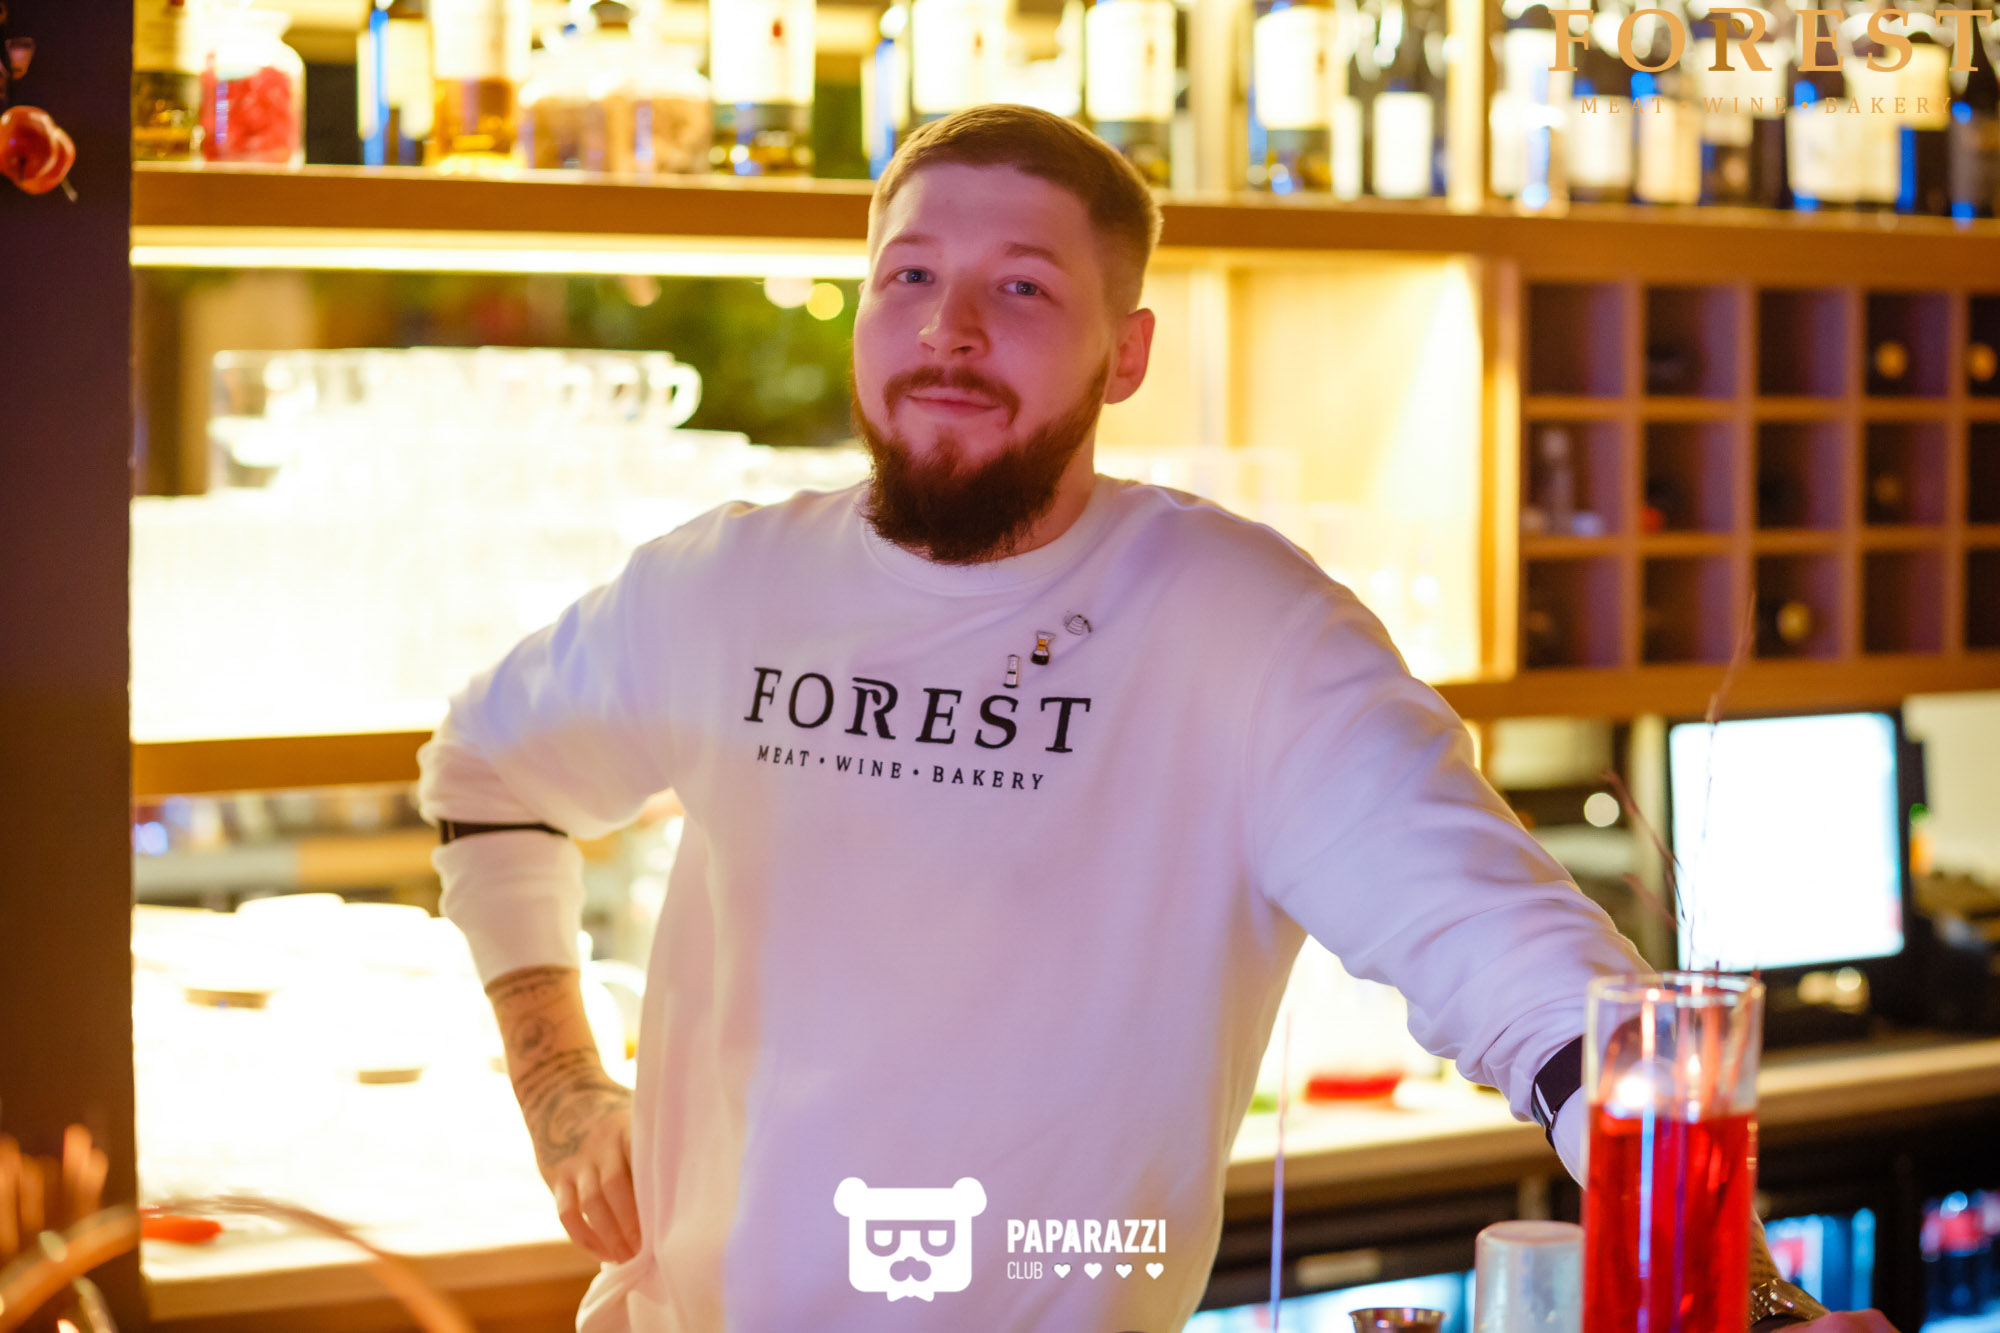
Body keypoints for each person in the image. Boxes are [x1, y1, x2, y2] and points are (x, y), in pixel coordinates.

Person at [415, 104, 1890, 1333]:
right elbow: (487, 775)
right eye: (909, 274)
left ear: (1125, 353)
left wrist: (1754, 1300)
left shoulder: (1243, 633)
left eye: (1021, 289)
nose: (948, 329)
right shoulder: (725, 586)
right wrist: (560, 1084)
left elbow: (1533, 983)